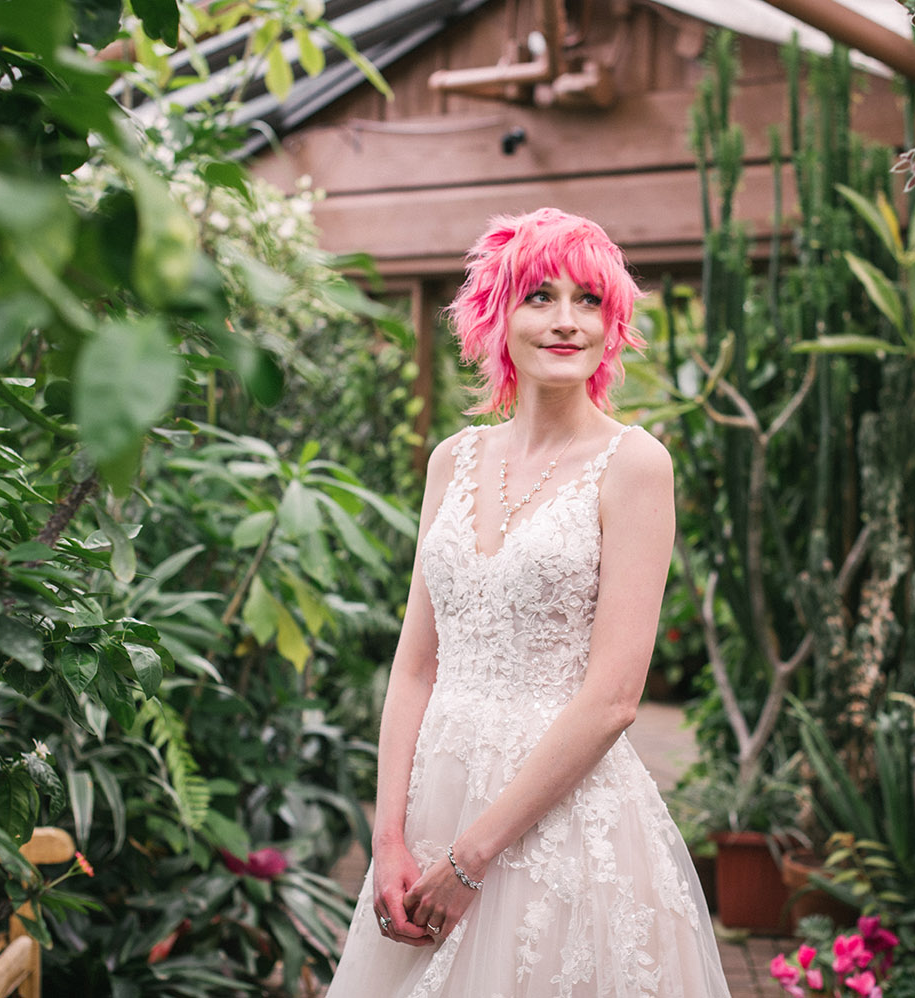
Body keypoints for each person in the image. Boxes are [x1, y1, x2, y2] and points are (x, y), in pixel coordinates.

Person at [328, 208, 730, 996]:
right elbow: (415, 669)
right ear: (496, 316)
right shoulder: (453, 459)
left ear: (612, 325)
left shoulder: (634, 464)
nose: (566, 321)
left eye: (589, 301)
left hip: (558, 823)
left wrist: (469, 860)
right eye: (540, 297)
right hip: (434, 803)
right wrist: (388, 842)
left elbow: (614, 699)